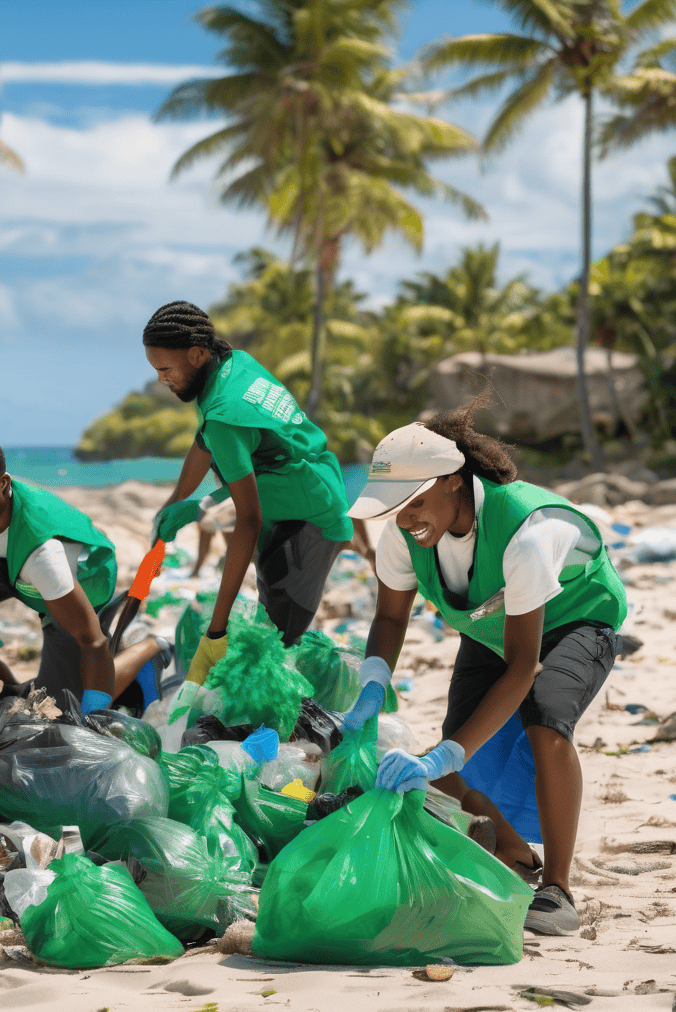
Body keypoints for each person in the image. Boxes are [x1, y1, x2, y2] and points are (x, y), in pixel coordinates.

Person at [342, 393, 626, 936]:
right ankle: (518, 857)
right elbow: (390, 620)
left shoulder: (525, 532)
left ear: (452, 478)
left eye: (414, 499)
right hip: (494, 620)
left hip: (576, 614)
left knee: (545, 717)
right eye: (394, 504)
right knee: (455, 758)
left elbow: (524, 668)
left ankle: (558, 890)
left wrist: (443, 755)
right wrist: (371, 689)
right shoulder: (404, 533)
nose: (405, 517)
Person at [142, 300, 354, 683]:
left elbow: (249, 519)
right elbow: (205, 442)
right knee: (267, 629)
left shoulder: (224, 409)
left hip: (308, 522)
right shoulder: (232, 367)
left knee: (272, 651)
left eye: (165, 369)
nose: (161, 379)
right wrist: (174, 503)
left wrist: (217, 629)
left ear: (196, 354)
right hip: (302, 491)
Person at [0, 435, 166, 716]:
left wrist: (91, 715)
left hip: (84, 579)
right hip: (7, 565)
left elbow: (94, 642)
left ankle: (151, 650)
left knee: (63, 708)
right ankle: (5, 695)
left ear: (3, 485)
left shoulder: (43, 554)